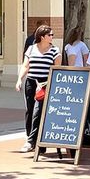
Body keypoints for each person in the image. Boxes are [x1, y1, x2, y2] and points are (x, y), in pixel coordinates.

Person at [14, 24, 61, 153]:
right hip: (31, 82)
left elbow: (57, 69)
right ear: (42, 37)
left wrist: (53, 84)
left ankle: (32, 141)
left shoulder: (55, 51)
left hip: (45, 84)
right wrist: (19, 80)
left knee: (38, 111)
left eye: (52, 35)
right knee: (30, 110)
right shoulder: (31, 49)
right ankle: (32, 139)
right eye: (49, 35)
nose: (52, 37)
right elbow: (25, 65)